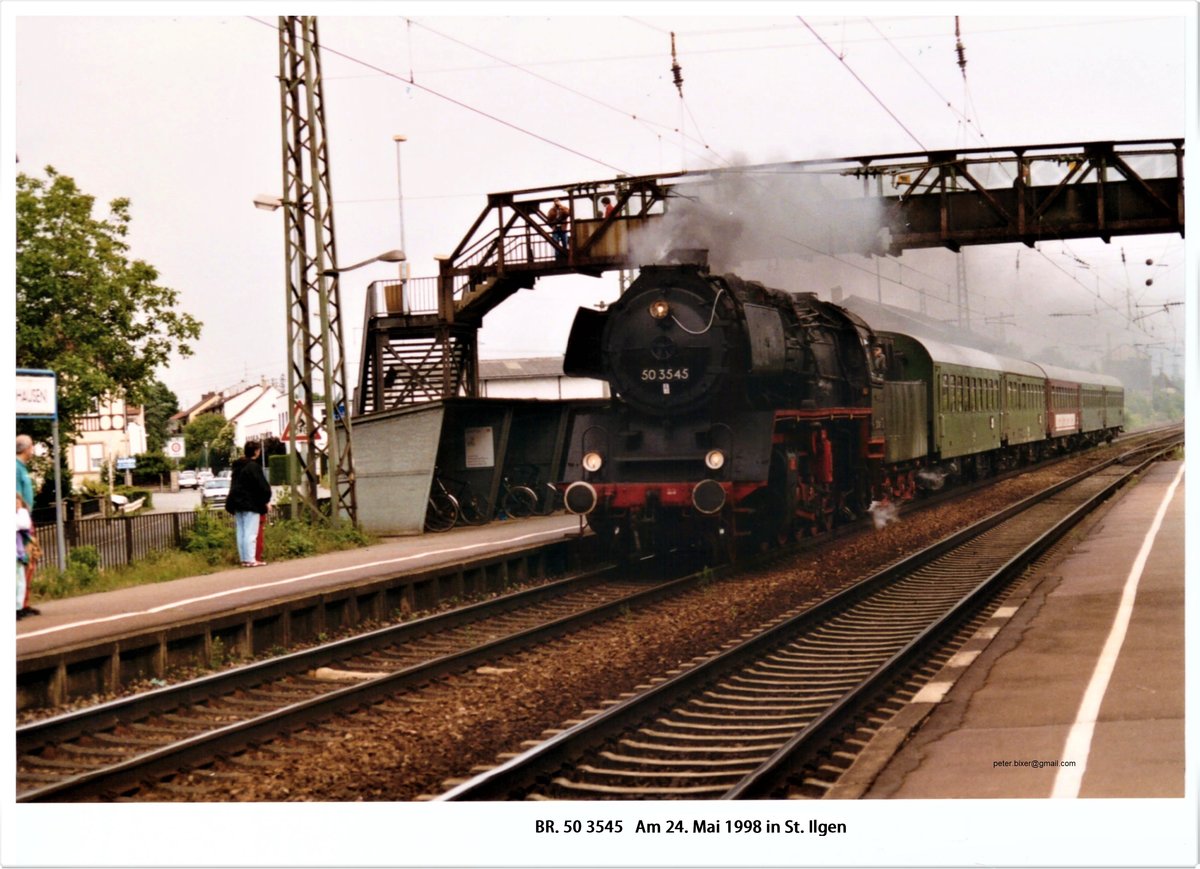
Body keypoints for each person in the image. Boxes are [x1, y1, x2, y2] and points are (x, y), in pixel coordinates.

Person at [224, 442, 272, 568]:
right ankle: (251, 559)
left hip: (237, 503)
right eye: (258, 450)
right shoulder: (253, 467)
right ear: (256, 451)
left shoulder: (237, 466)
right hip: (251, 504)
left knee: (241, 532)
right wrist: (265, 500)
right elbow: (262, 486)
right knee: (251, 533)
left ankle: (244, 559)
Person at [15, 434, 39, 618]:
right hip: (21, 521)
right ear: (25, 448)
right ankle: (19, 604)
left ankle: (23, 601)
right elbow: (15, 493)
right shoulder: (15, 467)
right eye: (31, 447)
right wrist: (22, 510)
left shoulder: (21, 467)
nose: (32, 450)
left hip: (25, 518)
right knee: (24, 558)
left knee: (29, 559)